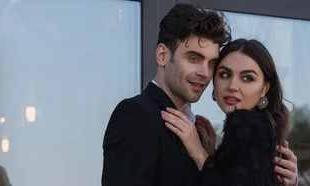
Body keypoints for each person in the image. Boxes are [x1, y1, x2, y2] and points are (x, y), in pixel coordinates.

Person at [101, 3, 298, 185]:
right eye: (194, 58)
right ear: (163, 55)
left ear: (265, 87)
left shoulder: (199, 135)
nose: (204, 73)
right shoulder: (136, 115)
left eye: (212, 63)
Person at [162, 39, 298, 185]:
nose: (232, 86)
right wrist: (214, 155)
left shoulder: (246, 125)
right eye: (225, 74)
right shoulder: (260, 127)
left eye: (247, 78)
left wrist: (199, 153)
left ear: (265, 88)